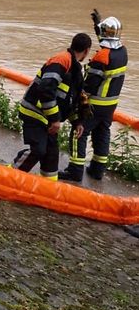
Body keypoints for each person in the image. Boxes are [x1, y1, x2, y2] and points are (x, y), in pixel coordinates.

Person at [12, 33, 92, 180]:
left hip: (48, 119)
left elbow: (72, 100)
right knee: (39, 150)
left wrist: (78, 122)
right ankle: (9, 176)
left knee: (51, 157)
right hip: (34, 113)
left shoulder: (75, 71)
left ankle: (47, 190)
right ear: (87, 51)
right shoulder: (61, 61)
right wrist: (55, 119)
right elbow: (46, 89)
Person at [59, 12, 128, 182]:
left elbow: (90, 85)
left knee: (78, 132)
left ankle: (75, 171)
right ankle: (97, 170)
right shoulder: (122, 52)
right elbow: (107, 42)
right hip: (111, 105)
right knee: (102, 133)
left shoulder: (102, 57)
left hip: (95, 104)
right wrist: (98, 26)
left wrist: (78, 97)